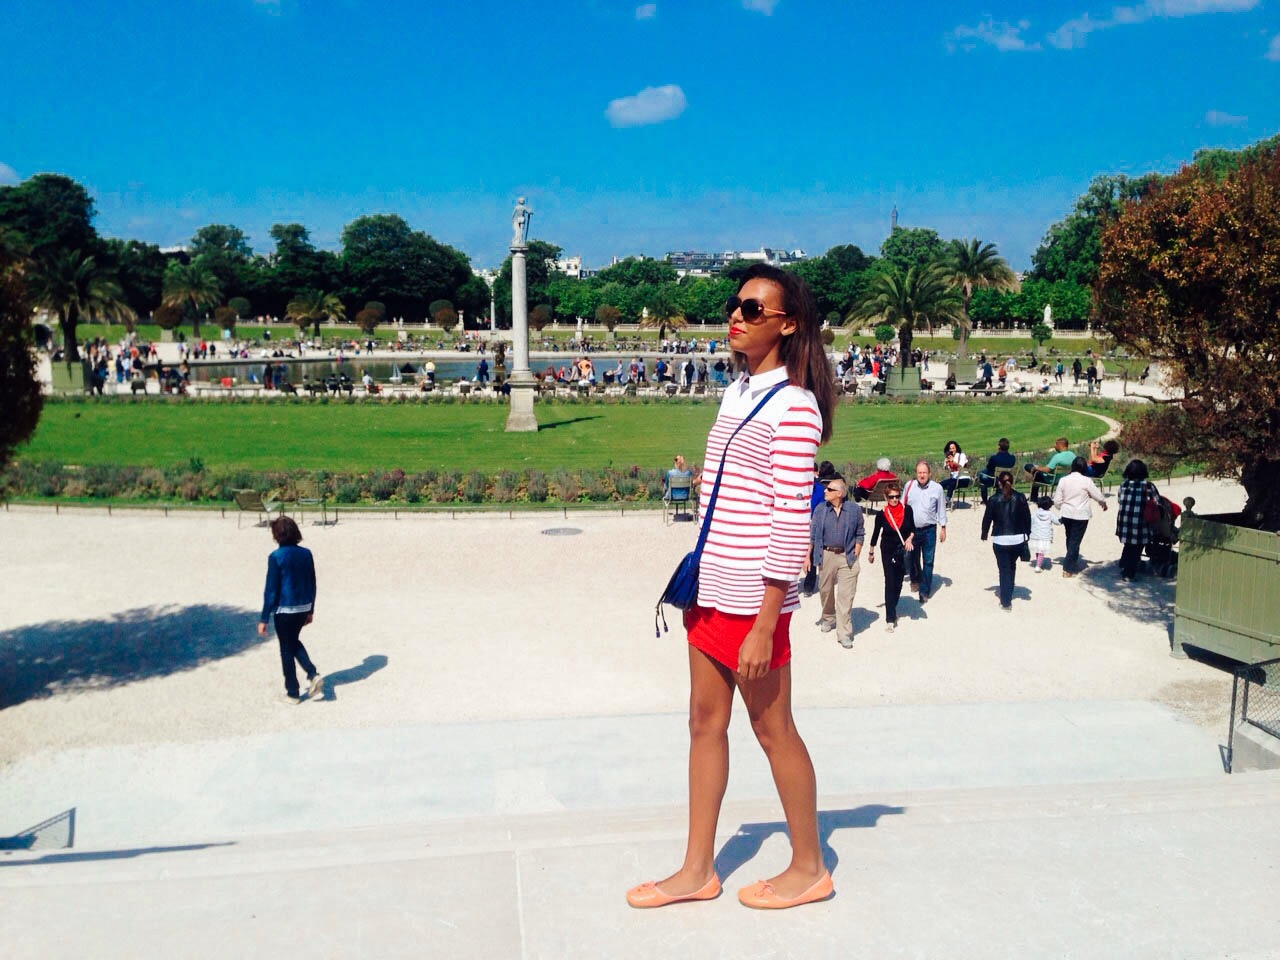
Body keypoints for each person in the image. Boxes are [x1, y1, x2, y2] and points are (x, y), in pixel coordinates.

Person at [627, 264, 836, 911]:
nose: (736, 317)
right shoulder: (738, 391)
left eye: (752, 308)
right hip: (711, 584)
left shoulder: (795, 405)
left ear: (788, 324)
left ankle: (810, 867)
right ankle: (697, 870)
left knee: (773, 731)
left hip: (754, 599)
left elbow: (789, 516)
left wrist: (768, 621)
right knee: (702, 723)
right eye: (734, 306)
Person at [257, 516, 323, 703]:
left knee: (286, 648)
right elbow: (312, 583)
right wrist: (311, 609)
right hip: (303, 607)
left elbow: (271, 590)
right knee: (292, 642)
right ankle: (312, 674)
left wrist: (264, 618)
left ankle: (293, 692)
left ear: (276, 535)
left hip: (284, 610)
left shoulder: (275, 557)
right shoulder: (306, 554)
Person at [809, 478, 864, 649]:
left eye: (829, 489)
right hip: (826, 555)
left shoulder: (854, 510)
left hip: (847, 556)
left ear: (839, 493)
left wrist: (857, 551)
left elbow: (860, 532)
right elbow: (812, 535)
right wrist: (807, 557)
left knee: (846, 596)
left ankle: (844, 632)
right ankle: (828, 617)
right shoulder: (820, 509)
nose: (825, 491)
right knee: (825, 590)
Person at [866, 483, 915, 632]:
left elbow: (913, 529)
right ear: (886, 497)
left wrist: (909, 539)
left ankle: (892, 605)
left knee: (899, 581)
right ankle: (890, 618)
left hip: (902, 549)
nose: (894, 499)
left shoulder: (907, 510)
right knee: (889, 580)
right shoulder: (882, 514)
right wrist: (871, 551)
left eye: (897, 496)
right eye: (891, 497)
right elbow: (875, 533)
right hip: (887, 549)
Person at [980, 472, 1031, 610]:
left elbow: (987, 518)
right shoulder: (1020, 497)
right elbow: (1027, 518)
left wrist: (984, 533)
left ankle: (1006, 601)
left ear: (999, 483)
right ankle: (1009, 589)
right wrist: (1027, 534)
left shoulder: (994, 499)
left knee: (1004, 570)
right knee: (1011, 565)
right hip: (1018, 539)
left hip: (1000, 539)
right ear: (1012, 482)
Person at [1054, 456, 1108, 577]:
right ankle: (1068, 568)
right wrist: (1103, 503)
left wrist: (1062, 507)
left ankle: (1072, 561)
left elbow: (1057, 500)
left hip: (1067, 513)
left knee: (1070, 538)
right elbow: (1097, 495)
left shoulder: (1063, 480)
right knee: (1075, 540)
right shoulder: (1086, 481)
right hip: (1081, 515)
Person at [902, 461, 947, 601]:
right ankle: (915, 579)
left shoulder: (937, 488)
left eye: (924, 473)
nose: (922, 475)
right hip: (912, 531)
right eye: (919, 473)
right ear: (916, 473)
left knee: (928, 560)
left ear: (929, 474)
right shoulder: (909, 486)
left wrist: (943, 527)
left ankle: (924, 591)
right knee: (912, 558)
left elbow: (941, 509)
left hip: (929, 529)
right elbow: (902, 506)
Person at [1115, 459, 1155, 581]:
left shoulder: (1123, 485)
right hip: (1140, 523)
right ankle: (1128, 574)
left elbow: (1119, 500)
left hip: (1124, 521)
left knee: (1128, 544)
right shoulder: (1148, 486)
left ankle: (1123, 563)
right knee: (1137, 548)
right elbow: (1156, 502)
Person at [1028, 495, 1062, 572]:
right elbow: (1057, 522)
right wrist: (1062, 519)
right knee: (1041, 552)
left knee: (1038, 550)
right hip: (1045, 536)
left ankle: (1038, 563)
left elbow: (1031, 522)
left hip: (1035, 535)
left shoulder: (1035, 513)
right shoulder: (1050, 514)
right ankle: (1038, 566)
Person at [979, 438, 1017, 504]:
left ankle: (985, 500)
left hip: (996, 481)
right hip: (1008, 480)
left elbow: (989, 469)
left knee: (982, 477)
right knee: (983, 473)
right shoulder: (1012, 458)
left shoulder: (994, 458)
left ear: (999, 447)